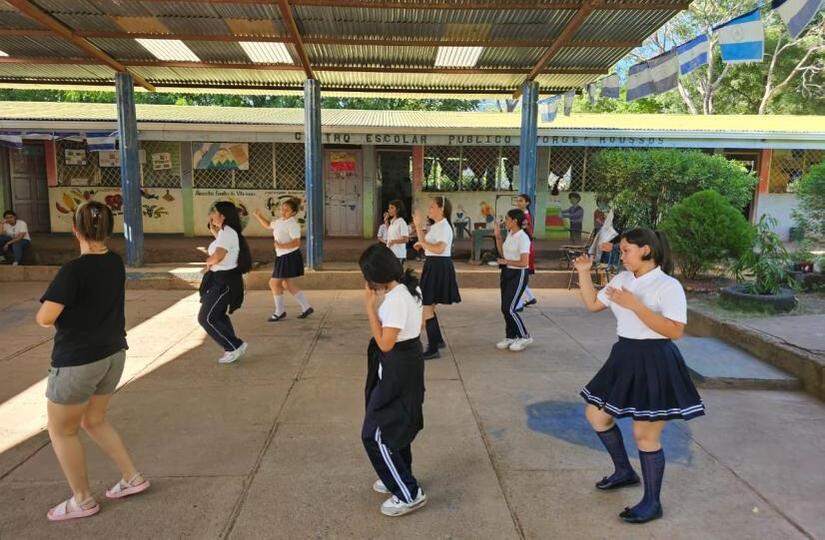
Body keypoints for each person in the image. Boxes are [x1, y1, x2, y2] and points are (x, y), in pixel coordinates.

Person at [573, 228, 705, 524]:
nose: (621, 255)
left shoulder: (668, 286)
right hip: (624, 356)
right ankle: (624, 471)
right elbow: (593, 304)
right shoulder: (622, 279)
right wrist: (583, 273)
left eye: (626, 250)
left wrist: (635, 305)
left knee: (644, 435)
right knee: (596, 415)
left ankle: (652, 503)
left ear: (646, 250)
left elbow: (675, 331)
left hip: (655, 359)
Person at [36, 201, 149, 522]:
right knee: (94, 420)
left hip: (77, 362)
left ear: (75, 230)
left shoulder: (73, 271)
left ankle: (83, 499)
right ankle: (131, 477)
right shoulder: (114, 262)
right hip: (112, 354)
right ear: (109, 229)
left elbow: (45, 317)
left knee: (62, 431)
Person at [359, 243, 427, 517]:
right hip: (407, 362)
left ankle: (408, 492)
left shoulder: (395, 300)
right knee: (397, 424)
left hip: (398, 367)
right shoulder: (409, 288)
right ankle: (399, 475)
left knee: (374, 433)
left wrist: (369, 308)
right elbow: (419, 324)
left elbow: (385, 344)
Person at [200, 201, 252, 364]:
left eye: (214, 212)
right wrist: (215, 233)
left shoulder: (227, 233)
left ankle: (233, 346)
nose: (211, 215)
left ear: (223, 216)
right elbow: (224, 249)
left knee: (206, 318)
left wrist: (208, 263)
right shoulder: (225, 233)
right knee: (217, 315)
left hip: (224, 282)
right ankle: (234, 346)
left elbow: (218, 256)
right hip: (222, 279)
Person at [413, 196, 461, 360]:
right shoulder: (437, 226)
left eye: (432, 206)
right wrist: (420, 235)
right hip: (433, 265)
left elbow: (440, 249)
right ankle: (438, 341)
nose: (429, 209)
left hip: (438, 266)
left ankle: (433, 348)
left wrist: (422, 239)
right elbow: (426, 242)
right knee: (429, 306)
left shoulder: (444, 227)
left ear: (441, 209)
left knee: (427, 306)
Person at [253, 198, 313, 322]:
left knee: (274, 283)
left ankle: (279, 312)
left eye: (287, 210)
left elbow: (296, 242)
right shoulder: (279, 221)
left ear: (293, 213)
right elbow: (268, 225)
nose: (283, 211)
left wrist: (281, 246)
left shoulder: (293, 224)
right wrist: (259, 216)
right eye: (282, 209)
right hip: (282, 256)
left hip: (289, 256)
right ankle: (306, 307)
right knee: (287, 283)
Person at [493, 209, 533, 352]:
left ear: (515, 221)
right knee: (505, 307)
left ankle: (525, 336)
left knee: (509, 308)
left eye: (507, 219)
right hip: (507, 273)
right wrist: (498, 237)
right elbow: (503, 254)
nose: (505, 221)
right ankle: (511, 336)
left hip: (518, 274)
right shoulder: (510, 234)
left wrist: (506, 261)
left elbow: (524, 262)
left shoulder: (523, 237)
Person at [514, 194, 537, 310]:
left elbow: (524, 232)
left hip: (525, 249)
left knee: (517, 277)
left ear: (527, 203)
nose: (518, 203)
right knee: (519, 276)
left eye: (521, 201)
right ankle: (530, 297)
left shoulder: (525, 217)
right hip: (525, 248)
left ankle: (519, 304)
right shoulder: (524, 215)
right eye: (517, 201)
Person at [385, 200, 410, 267]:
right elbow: (390, 231)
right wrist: (386, 221)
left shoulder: (401, 222)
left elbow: (406, 239)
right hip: (391, 253)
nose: (389, 210)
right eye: (389, 208)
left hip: (398, 254)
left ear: (398, 209)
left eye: (392, 208)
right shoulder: (393, 221)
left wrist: (393, 241)